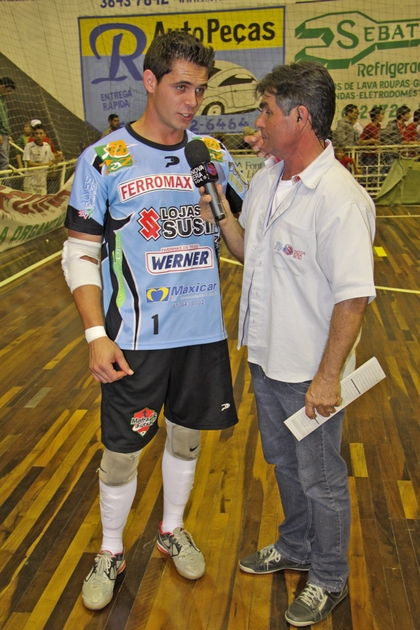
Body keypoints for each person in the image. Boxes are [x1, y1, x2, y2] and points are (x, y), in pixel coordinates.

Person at [61, 31, 245, 612]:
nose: (193, 101)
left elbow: (243, 243)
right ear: (150, 81)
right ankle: (111, 550)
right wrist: (96, 335)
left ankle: (171, 529)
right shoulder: (104, 159)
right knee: (122, 452)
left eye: (201, 89)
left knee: (187, 441)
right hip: (135, 338)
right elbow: (79, 252)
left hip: (202, 334)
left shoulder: (212, 156)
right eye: (181, 87)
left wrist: (219, 206)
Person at [199, 61, 376, 626]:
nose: (257, 121)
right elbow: (247, 252)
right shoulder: (267, 179)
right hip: (266, 358)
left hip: (309, 373)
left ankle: (329, 577)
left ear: (300, 117)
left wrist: (327, 378)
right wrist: (220, 212)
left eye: (266, 110)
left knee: (322, 480)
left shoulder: (340, 198)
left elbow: (353, 298)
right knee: (284, 464)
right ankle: (296, 545)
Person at [22, 124, 62, 194]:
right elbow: (29, 164)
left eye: (41, 133)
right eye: (36, 133)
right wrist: (45, 164)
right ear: (34, 135)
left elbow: (52, 162)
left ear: (44, 134)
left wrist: (58, 158)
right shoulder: (28, 146)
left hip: (42, 184)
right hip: (30, 183)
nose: (38, 136)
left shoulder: (47, 146)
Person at [0, 77, 16, 172]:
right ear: (2, 87)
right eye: (8, 91)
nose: (9, 94)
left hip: (5, 135)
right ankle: (4, 181)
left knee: (4, 161)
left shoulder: (2, 100)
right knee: (4, 162)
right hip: (1, 135)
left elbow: (4, 119)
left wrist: (8, 134)